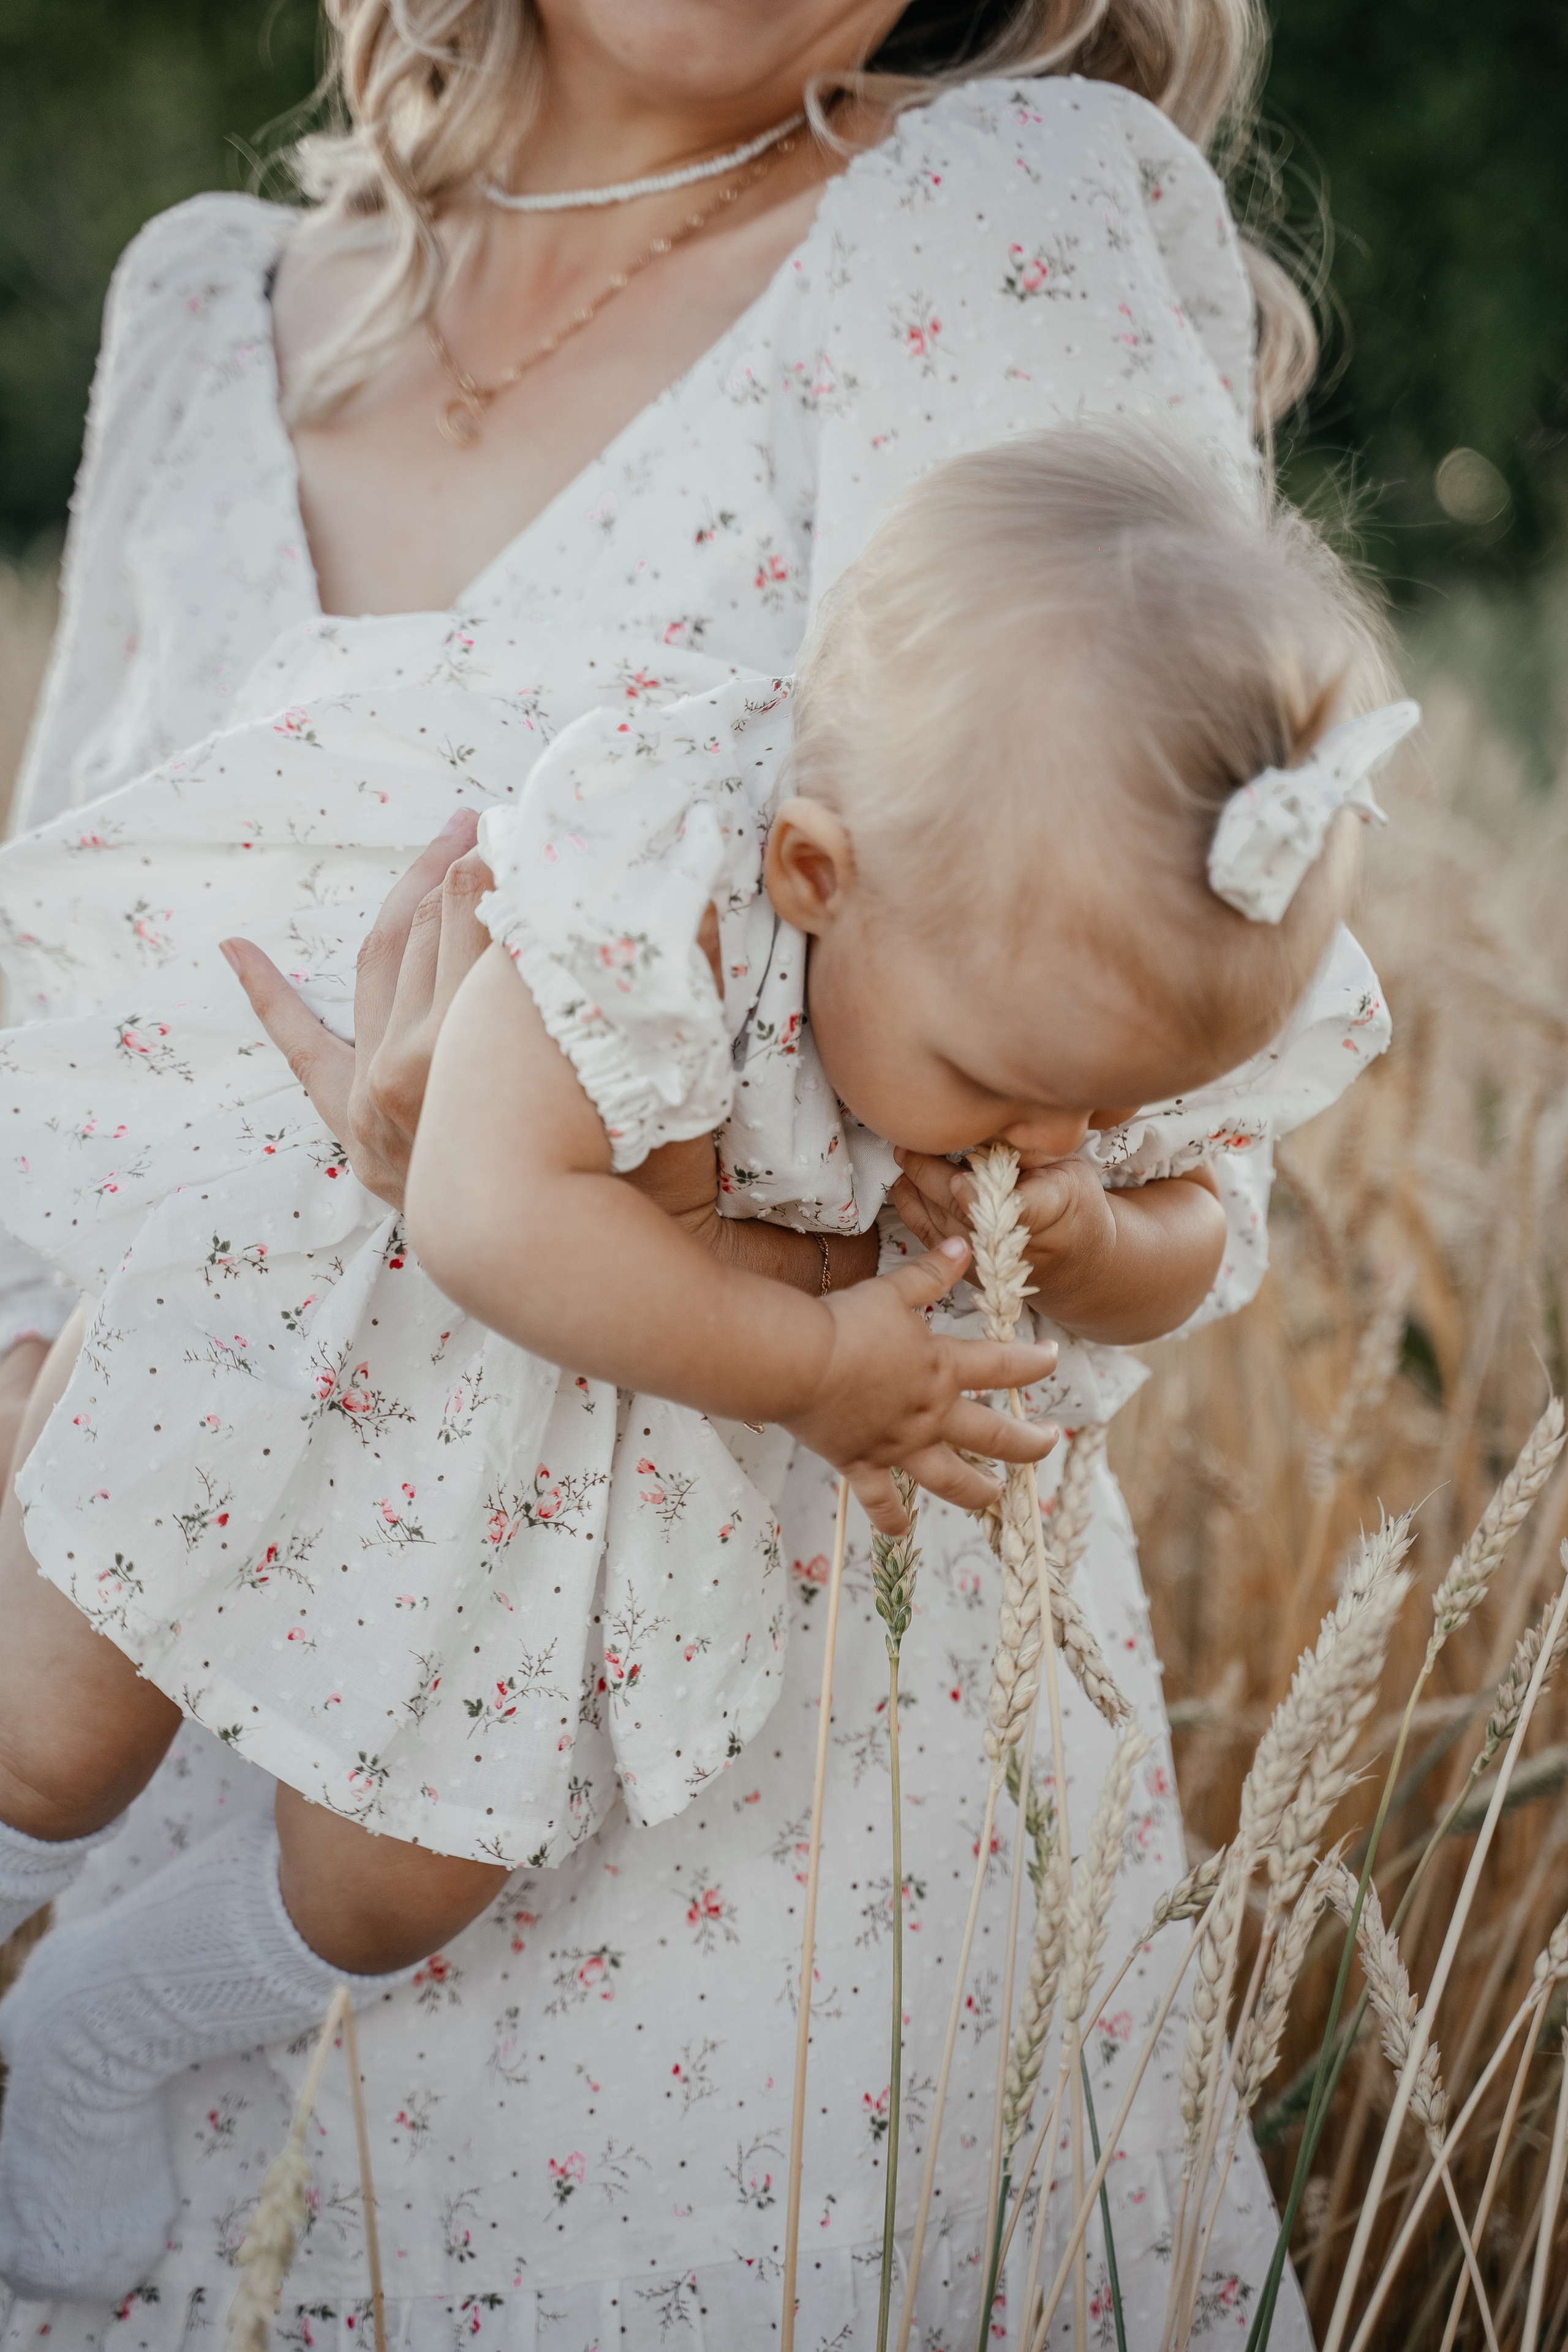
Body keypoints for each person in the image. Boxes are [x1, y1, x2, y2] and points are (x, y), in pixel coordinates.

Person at [0, 4, 1352, 2342]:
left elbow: (1123, 1125)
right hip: (193, 1557)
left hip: (722, 1844)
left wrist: (567, 1206)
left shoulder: (992, 212)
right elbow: (68, 994)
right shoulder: (195, 304)